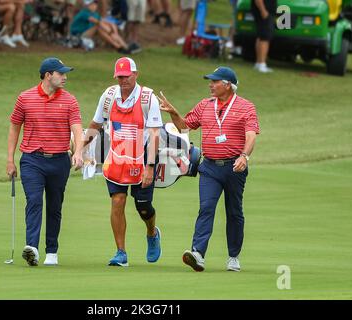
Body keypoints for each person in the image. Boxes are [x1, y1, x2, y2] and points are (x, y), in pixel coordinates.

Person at [158, 66, 260, 272]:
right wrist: (173, 113)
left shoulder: (246, 107)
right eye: (210, 81)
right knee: (206, 208)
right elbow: (185, 127)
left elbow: (251, 135)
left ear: (228, 85)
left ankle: (233, 256)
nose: (210, 85)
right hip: (209, 167)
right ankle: (198, 253)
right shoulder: (205, 105)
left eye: (215, 81)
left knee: (234, 212)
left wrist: (244, 156)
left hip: (234, 167)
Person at [84, 57, 162, 267]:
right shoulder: (109, 96)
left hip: (144, 154)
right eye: (119, 76)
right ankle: (121, 252)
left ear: (135, 74)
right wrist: (81, 147)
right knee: (117, 200)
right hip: (118, 154)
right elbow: (96, 123)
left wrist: (150, 167)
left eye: (127, 75)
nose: (123, 80)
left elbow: (155, 134)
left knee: (143, 206)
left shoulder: (148, 98)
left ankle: (152, 232)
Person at [7, 57, 84, 267]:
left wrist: (78, 151)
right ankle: (31, 247)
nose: (65, 77)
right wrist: (10, 160)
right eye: (61, 73)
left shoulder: (69, 100)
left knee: (54, 206)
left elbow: (77, 127)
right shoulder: (25, 98)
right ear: (48, 75)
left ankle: (52, 250)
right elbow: (14, 127)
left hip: (59, 161)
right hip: (32, 159)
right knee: (34, 201)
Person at [252, 0, 277, 73]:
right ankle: (262, 64)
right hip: (264, 12)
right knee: (265, 38)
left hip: (266, 11)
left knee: (261, 37)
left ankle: (258, 62)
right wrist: (263, 11)